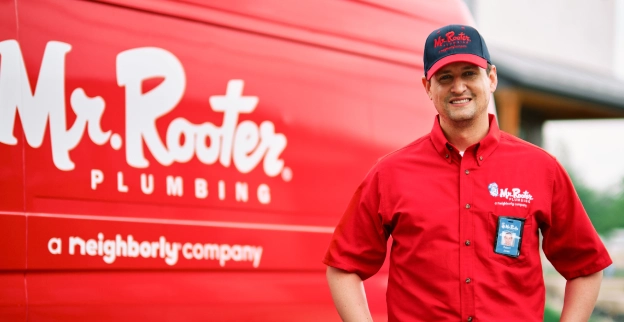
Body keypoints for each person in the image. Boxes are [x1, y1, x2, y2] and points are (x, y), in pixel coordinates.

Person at [323, 24, 612, 322]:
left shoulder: (542, 169)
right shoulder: (389, 173)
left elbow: (586, 268)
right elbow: (344, 268)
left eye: (469, 74)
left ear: (492, 78)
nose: (458, 87)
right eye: (445, 77)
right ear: (427, 87)